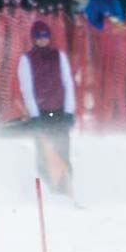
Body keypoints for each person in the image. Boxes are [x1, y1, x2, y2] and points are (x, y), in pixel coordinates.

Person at [17, 21, 77, 196]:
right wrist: (34, 115)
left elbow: (67, 83)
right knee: (44, 153)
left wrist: (69, 111)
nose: (42, 40)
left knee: (63, 152)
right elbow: (27, 88)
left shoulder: (59, 56)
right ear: (33, 38)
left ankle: (66, 191)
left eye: (45, 36)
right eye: (38, 37)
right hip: (41, 114)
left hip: (59, 111)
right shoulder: (27, 59)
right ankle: (49, 191)